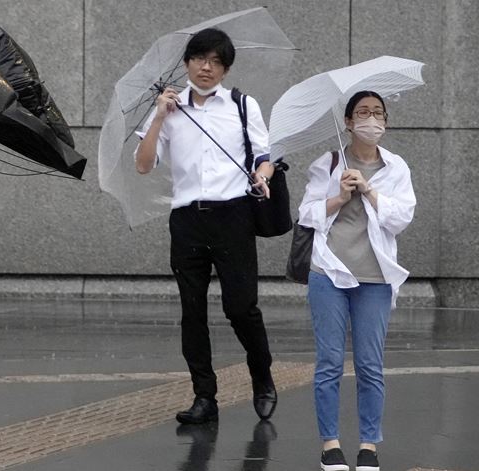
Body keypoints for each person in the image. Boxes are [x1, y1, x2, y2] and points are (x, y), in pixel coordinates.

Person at [135, 28, 278, 425]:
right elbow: (144, 164)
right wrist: (160, 118)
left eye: (216, 61)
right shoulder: (167, 108)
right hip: (186, 219)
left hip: (233, 215)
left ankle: (262, 376)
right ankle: (204, 396)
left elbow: (264, 156)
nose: (206, 67)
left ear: (225, 69)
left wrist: (262, 175)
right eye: (200, 59)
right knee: (192, 311)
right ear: (186, 63)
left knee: (241, 307)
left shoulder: (243, 105)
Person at [298, 91, 415, 471]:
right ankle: (330, 444)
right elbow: (306, 214)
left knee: (370, 364)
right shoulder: (329, 163)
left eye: (377, 113)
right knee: (329, 361)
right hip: (330, 272)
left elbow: (402, 218)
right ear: (348, 122)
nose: (371, 119)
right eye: (362, 113)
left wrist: (369, 190)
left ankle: (369, 445)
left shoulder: (396, 167)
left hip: (376, 277)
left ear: (385, 122)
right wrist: (338, 196)